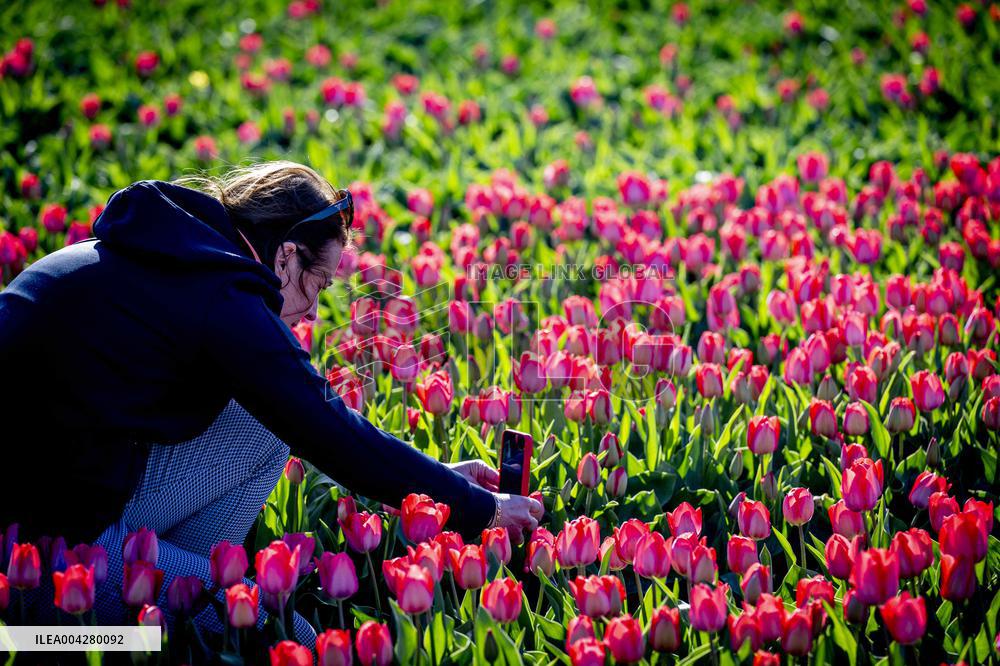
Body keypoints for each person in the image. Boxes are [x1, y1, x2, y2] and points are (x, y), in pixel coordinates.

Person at [0, 161, 542, 647]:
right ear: (285, 255)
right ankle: (66, 638)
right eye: (318, 284)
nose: (311, 310)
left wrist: (440, 484)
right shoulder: (221, 295)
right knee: (284, 631)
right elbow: (327, 427)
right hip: (36, 552)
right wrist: (481, 508)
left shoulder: (172, 251)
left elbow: (303, 414)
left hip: (66, 489)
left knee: (259, 422)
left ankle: (183, 597)